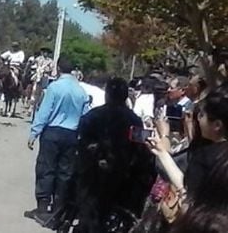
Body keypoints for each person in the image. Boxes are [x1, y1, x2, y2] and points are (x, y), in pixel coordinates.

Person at [74, 77, 155, 232]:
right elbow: (140, 149)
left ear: (107, 94)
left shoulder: (93, 115)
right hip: (122, 176)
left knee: (88, 215)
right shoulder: (135, 120)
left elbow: (80, 140)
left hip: (93, 174)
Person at [25, 55, 89, 228]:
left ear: (58, 69)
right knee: (65, 173)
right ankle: (59, 210)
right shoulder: (81, 91)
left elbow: (44, 112)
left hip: (52, 133)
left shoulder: (54, 88)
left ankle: (43, 208)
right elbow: (85, 116)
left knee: (46, 169)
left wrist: (34, 133)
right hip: (71, 135)